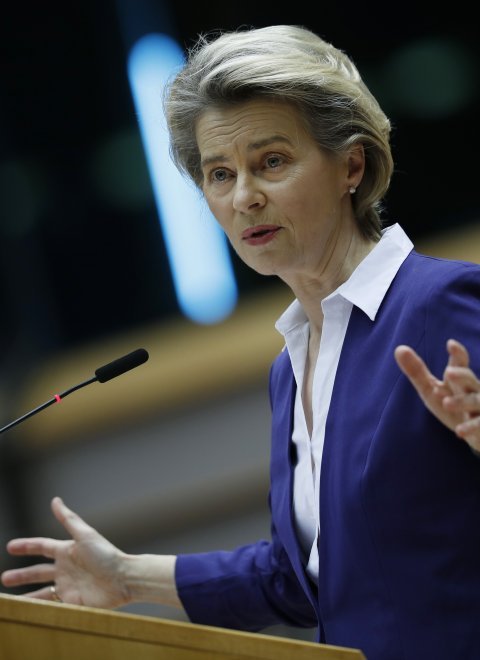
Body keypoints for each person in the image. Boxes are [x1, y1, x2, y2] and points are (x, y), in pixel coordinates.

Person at [2, 24, 480, 660]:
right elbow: (300, 580)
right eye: (220, 174)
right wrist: (126, 577)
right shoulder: (292, 364)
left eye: (271, 162)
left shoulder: (443, 304)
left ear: (352, 165)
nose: (244, 197)